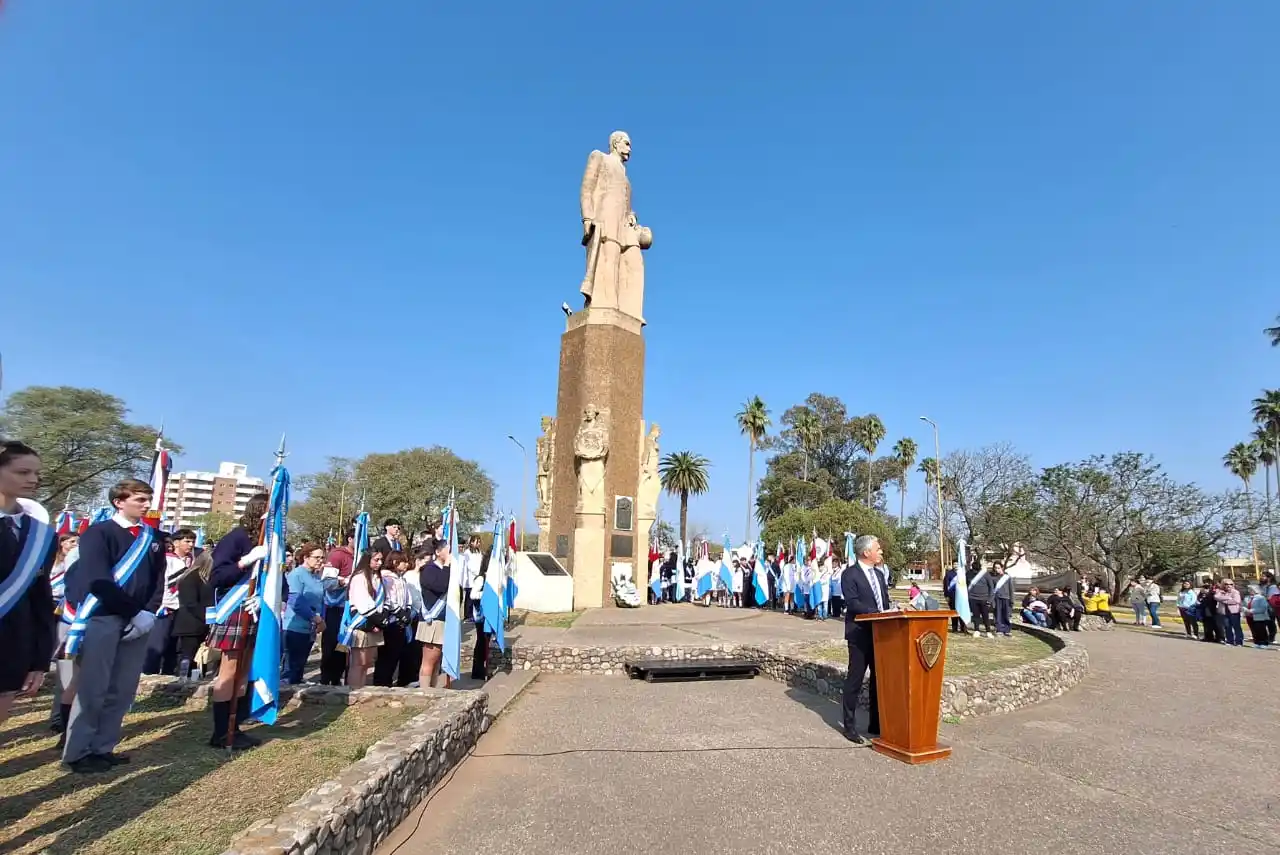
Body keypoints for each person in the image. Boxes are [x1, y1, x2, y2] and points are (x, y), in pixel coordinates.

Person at [62, 478, 166, 772]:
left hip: (140, 621)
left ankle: (104, 746)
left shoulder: (153, 537)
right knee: (93, 687)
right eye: (139, 500)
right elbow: (98, 579)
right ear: (119, 502)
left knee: (122, 689)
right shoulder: (98, 533)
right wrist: (134, 611)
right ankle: (78, 751)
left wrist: (149, 612)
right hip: (104, 616)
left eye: (148, 499)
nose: (146, 505)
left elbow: (158, 580)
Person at [206, 492, 272, 749]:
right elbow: (218, 576)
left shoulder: (270, 540)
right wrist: (245, 561)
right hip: (235, 608)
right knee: (229, 670)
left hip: (257, 608)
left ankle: (236, 725)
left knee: (245, 670)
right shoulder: (236, 537)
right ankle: (221, 731)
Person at [0, 441, 58, 726]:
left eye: (36, 474)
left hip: (12, 642)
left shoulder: (41, 535)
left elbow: (40, 598)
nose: (33, 480)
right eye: (22, 472)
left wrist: (39, 659)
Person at [839, 535, 895, 745]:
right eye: (878, 549)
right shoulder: (850, 574)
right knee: (855, 679)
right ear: (866, 552)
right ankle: (849, 726)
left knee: (878, 680)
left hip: (880, 634)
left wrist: (890, 612)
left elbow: (884, 601)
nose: (881, 552)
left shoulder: (879, 575)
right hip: (859, 633)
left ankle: (876, 723)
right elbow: (852, 603)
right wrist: (877, 613)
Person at [144, 528, 197, 675]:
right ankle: (148, 676)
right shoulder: (167, 560)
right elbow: (163, 584)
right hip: (165, 607)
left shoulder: (192, 560)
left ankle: (168, 677)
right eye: (187, 541)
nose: (191, 545)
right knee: (157, 646)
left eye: (193, 541)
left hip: (182, 609)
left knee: (173, 649)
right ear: (176, 543)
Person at [282, 543, 326, 685]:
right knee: (292, 665)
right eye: (317, 557)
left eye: (322, 558)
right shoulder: (297, 575)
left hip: (310, 627)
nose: (320, 560)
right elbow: (295, 600)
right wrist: (314, 618)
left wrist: (320, 618)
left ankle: (297, 685)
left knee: (300, 663)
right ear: (306, 557)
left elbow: (319, 598)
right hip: (295, 626)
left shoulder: (316, 576)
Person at [345, 550, 387, 689]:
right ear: (368, 559)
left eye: (381, 560)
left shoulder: (377, 577)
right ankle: (354, 690)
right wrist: (376, 619)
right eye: (376, 560)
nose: (379, 563)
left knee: (368, 662)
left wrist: (381, 619)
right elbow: (363, 602)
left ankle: (361, 688)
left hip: (374, 621)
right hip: (362, 622)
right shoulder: (359, 577)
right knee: (359, 662)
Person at [372, 552, 414, 686]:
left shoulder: (401, 578)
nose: (407, 564)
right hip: (390, 621)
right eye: (404, 562)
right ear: (395, 562)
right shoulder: (386, 578)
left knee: (397, 654)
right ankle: (382, 683)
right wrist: (399, 612)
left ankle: (389, 681)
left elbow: (407, 597)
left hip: (400, 622)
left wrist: (407, 610)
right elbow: (388, 598)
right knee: (387, 656)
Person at [320, 529, 355, 685]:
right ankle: (325, 678)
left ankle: (338, 678)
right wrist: (343, 581)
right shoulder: (337, 555)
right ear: (350, 539)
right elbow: (327, 583)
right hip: (336, 607)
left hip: (353, 609)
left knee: (345, 646)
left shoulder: (362, 556)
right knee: (331, 644)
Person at [416, 540, 452, 688]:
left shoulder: (446, 569)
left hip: (443, 619)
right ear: (438, 552)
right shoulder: (429, 569)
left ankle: (433, 690)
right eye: (448, 551)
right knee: (430, 659)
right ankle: (424, 691)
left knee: (437, 661)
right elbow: (441, 585)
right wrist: (448, 565)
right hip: (432, 619)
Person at [172, 550, 213, 676]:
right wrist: (207, 618)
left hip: (198, 622)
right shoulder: (191, 578)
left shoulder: (202, 577)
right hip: (190, 623)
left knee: (196, 655)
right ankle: (183, 678)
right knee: (188, 654)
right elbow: (191, 603)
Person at [967, 561, 995, 639]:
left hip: (984, 599)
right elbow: (966, 585)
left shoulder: (986, 574)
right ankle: (976, 630)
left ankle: (988, 631)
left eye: (976, 571)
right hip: (973, 598)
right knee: (975, 616)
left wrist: (990, 599)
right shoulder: (968, 574)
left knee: (985, 616)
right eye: (974, 570)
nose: (975, 572)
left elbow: (991, 588)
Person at [1214, 578, 1243, 647]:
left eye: (1231, 584)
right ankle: (1230, 641)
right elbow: (1216, 597)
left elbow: (1236, 601)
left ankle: (1239, 642)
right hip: (1224, 612)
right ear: (1223, 585)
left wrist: (1224, 601)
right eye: (1226, 584)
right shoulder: (1220, 591)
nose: (1229, 585)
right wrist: (1228, 598)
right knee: (1227, 627)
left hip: (1234, 612)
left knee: (1237, 627)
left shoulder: (1235, 592)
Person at [1244, 583, 1272, 648]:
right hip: (1250, 617)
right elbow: (1244, 605)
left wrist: (1251, 611)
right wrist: (1244, 610)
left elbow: (1263, 608)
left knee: (1261, 630)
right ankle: (1257, 642)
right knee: (1254, 630)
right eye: (1248, 589)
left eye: (1250, 589)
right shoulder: (1247, 598)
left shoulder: (1261, 598)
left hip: (1260, 617)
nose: (1249, 591)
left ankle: (1264, 643)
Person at [991, 562, 1014, 638]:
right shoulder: (993, 578)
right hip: (997, 598)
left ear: (1002, 568)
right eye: (995, 568)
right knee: (998, 614)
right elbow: (992, 590)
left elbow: (1011, 589)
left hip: (1006, 598)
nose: (997, 569)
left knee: (1006, 614)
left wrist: (1012, 600)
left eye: (998, 568)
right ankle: (999, 630)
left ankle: (1007, 630)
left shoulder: (1007, 577)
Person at [1198, 579, 1222, 644]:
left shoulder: (1214, 591)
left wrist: (1208, 593)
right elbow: (1199, 599)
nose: (1206, 584)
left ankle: (1219, 638)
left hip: (1213, 610)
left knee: (1216, 625)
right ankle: (1208, 637)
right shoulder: (1202, 591)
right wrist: (1202, 594)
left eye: (1208, 583)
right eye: (1205, 583)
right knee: (1206, 624)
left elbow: (1215, 599)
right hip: (1205, 609)